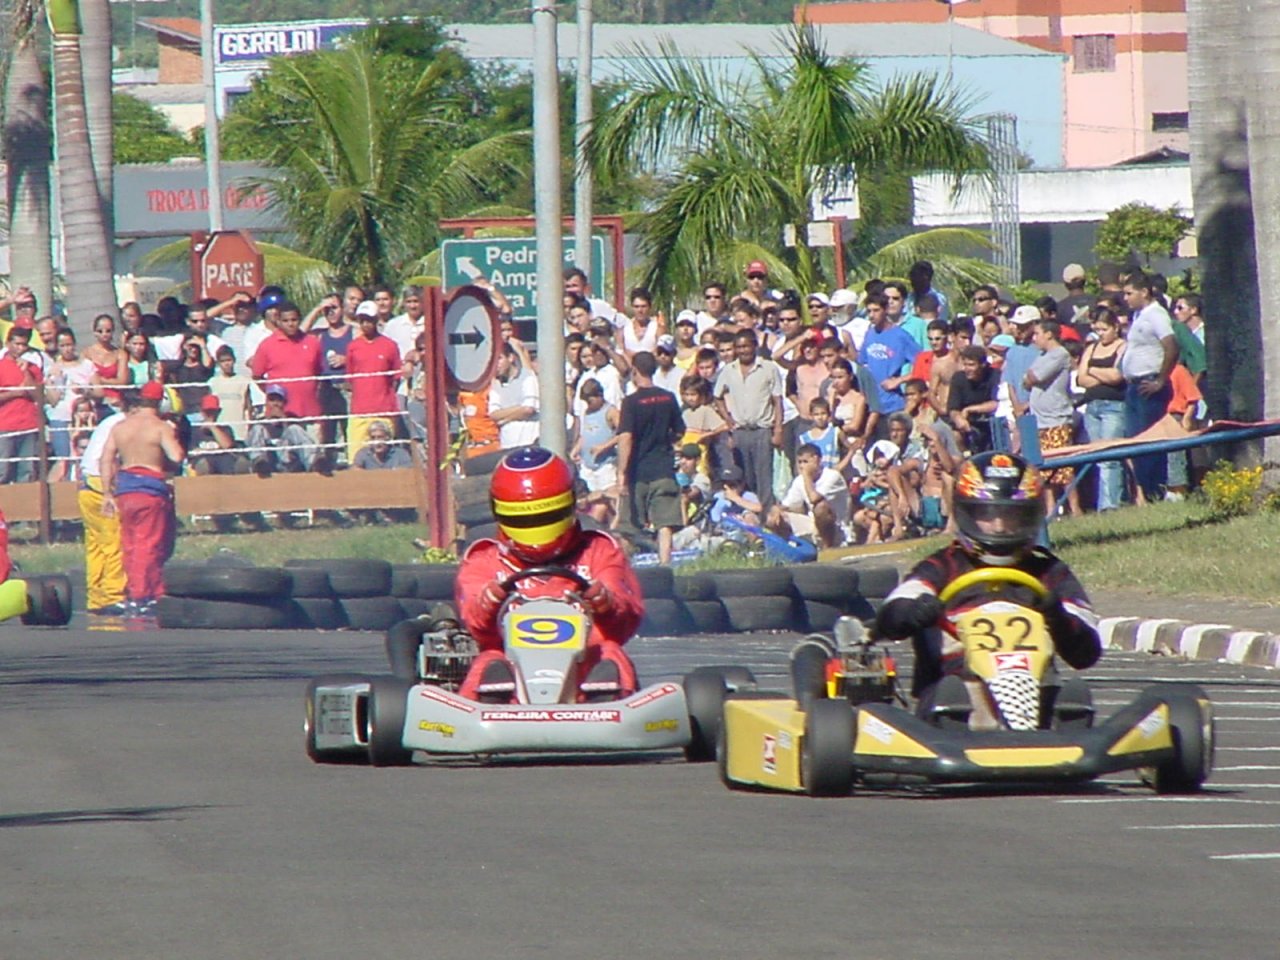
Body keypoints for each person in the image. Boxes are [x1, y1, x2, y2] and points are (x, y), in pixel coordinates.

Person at [875, 451, 1102, 713]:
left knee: (1077, 698)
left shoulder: (1048, 570)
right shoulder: (943, 566)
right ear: (966, 512)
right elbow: (892, 615)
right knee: (948, 691)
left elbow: (1087, 654)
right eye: (987, 514)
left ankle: (1053, 727)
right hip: (954, 705)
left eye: (1011, 515)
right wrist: (914, 612)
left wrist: (1056, 615)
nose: (999, 526)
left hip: (1038, 699)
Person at [453, 446, 643, 703]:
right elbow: (478, 628)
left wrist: (604, 602)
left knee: (608, 652)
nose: (535, 530)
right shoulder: (484, 561)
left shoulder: (599, 551)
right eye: (523, 521)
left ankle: (606, 701)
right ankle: (491, 705)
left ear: (570, 505)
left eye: (547, 517)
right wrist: (489, 603)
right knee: (490, 660)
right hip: (512, 672)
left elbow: (623, 624)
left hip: (582, 673)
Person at [99, 381, 185, 617]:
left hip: (126, 489)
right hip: (150, 489)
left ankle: (140, 592)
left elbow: (105, 459)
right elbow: (176, 456)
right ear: (161, 401)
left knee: (130, 543)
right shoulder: (160, 427)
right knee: (150, 545)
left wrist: (107, 493)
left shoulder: (120, 427)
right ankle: (144, 595)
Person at [617, 351, 685, 564]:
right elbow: (680, 431)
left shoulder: (630, 402)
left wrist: (621, 473)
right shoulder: (668, 398)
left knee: (628, 526)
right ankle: (665, 565)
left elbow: (626, 438)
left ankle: (624, 569)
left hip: (638, 472)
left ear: (635, 370)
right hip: (663, 469)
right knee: (664, 523)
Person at [78, 407, 128, 614]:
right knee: (113, 543)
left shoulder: (110, 420)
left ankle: (95, 597)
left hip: (86, 484)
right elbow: (107, 459)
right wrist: (111, 491)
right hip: (101, 483)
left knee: (95, 546)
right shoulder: (123, 425)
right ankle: (113, 596)